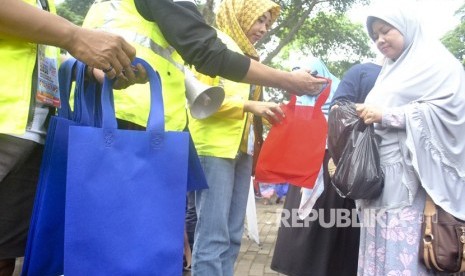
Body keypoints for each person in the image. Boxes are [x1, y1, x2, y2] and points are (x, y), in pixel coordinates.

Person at [0, 1, 143, 274]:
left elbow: (37, 52)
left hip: (31, 133)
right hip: (6, 128)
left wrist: (88, 70)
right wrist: (74, 35)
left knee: (5, 253)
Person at [355, 3, 465, 275]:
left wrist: (388, 115)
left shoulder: (440, 66)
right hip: (379, 180)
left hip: (414, 183)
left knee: (404, 252)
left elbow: (453, 115)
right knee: (378, 248)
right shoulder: (390, 71)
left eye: (385, 31)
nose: (380, 40)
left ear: (406, 27)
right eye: (374, 36)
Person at [188, 0, 284, 274]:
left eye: (267, 23)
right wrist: (248, 106)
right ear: (240, 13)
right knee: (212, 236)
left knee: (231, 236)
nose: (264, 28)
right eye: (259, 20)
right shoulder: (213, 44)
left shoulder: (250, 57)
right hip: (214, 149)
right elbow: (197, 97)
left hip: (242, 151)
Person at [270, 57, 363, 276]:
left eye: (311, 77)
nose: (305, 85)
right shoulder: (302, 102)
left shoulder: (340, 99)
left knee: (327, 223)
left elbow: (344, 131)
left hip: (333, 165)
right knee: (302, 223)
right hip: (306, 166)